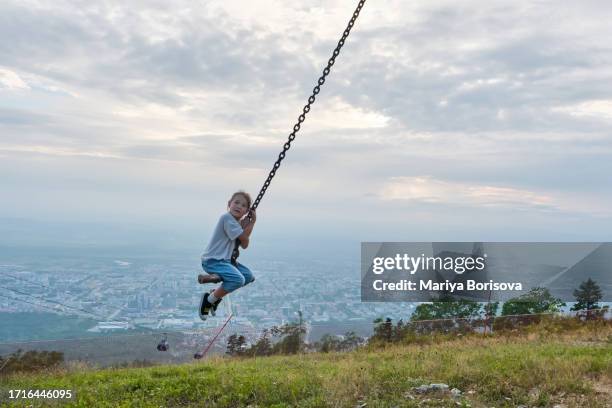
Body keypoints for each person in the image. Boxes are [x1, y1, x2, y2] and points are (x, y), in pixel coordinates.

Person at [198, 191, 256, 320]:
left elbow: (243, 244)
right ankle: (209, 300)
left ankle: (215, 295)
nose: (239, 206)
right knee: (238, 280)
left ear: (246, 211)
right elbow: (245, 241)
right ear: (229, 204)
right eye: (236, 202)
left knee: (248, 276)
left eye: (243, 205)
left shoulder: (236, 224)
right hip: (213, 261)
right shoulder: (227, 218)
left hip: (225, 261)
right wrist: (252, 223)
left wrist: (248, 225)